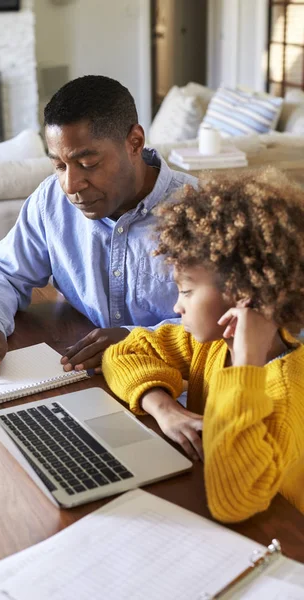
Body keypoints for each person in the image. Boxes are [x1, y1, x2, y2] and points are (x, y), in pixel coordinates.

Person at [102, 168, 304, 523]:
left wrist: (245, 366)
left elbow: (235, 501)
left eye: (188, 291)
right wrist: (164, 409)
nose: (177, 307)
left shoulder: (288, 391)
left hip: (281, 541)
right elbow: (123, 352)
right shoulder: (209, 346)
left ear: (242, 295)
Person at [0, 75, 196, 376]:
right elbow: (3, 273)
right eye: (59, 165)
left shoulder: (203, 213)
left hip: (181, 385)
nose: (70, 185)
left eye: (87, 164)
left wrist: (136, 338)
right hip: (87, 377)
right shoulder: (50, 201)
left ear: (134, 142)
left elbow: (240, 318)